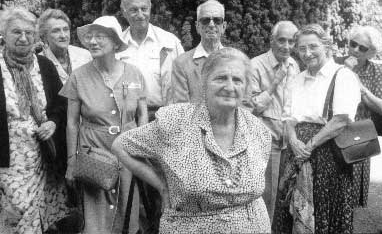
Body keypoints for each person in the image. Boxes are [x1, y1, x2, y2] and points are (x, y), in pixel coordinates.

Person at [112, 48, 272, 233]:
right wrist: (161, 186)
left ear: (245, 88)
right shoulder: (176, 122)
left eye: (237, 80)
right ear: (204, 83)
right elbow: (121, 146)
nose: (229, 87)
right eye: (220, 78)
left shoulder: (258, 131)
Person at [60, 16, 148, 234]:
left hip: (128, 153)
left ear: (115, 42)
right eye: (90, 36)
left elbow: (143, 113)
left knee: (127, 211)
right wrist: (72, 160)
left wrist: (142, 147)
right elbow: (71, 123)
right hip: (94, 153)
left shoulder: (134, 72)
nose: (92, 41)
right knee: (97, 216)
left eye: (100, 36)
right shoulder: (78, 76)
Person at [272, 24, 361, 234]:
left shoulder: (342, 76)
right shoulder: (296, 79)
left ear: (326, 46)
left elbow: (340, 120)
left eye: (313, 46)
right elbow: (288, 118)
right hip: (296, 155)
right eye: (302, 48)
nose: (307, 53)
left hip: (328, 156)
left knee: (324, 211)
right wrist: (293, 141)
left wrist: (309, 147)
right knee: (289, 210)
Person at [0, 7, 70, 233]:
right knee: (16, 207)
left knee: (38, 209)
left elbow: (60, 104)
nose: (23, 38)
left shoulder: (44, 65)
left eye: (29, 32)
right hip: (8, 153)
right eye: (16, 32)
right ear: (3, 34)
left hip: (43, 152)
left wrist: (52, 122)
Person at [116, 0, 184, 233]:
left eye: (144, 8)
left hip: (163, 116)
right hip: (129, 120)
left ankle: (166, 226)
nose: (140, 14)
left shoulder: (169, 42)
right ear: (124, 12)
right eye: (133, 9)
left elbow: (181, 81)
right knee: (135, 182)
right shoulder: (118, 45)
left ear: (150, 9)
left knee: (164, 179)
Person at [250, 20, 300, 220]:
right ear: (271, 41)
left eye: (291, 41)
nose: (286, 46)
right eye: (282, 40)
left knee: (285, 194)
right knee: (266, 196)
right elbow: (251, 108)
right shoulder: (255, 65)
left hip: (289, 141)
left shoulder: (294, 64)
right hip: (265, 141)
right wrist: (275, 82)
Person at [337, 26, 382, 208]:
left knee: (351, 194)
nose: (355, 50)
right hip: (334, 130)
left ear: (371, 53)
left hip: (359, 135)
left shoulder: (377, 72)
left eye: (362, 48)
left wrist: (359, 85)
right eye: (353, 44)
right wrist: (345, 71)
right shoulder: (335, 64)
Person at [171, 0, 226, 103]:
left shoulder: (235, 61)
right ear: (197, 26)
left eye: (217, 20)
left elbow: (243, 103)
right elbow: (181, 108)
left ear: (224, 26)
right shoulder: (181, 64)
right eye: (205, 20)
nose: (211, 24)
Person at [38, 8, 92, 84]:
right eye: (56, 31)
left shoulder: (85, 56)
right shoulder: (39, 63)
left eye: (66, 29)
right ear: (44, 36)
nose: (63, 35)